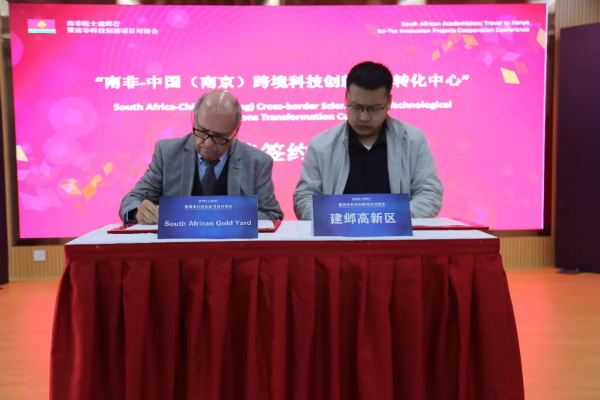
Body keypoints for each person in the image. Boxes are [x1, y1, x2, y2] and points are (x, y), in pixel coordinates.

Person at [293, 61, 443, 220]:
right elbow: (304, 198)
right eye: (356, 107)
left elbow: (429, 193)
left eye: (374, 109)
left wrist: (394, 218)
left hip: (395, 231)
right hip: (340, 231)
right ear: (346, 97)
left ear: (389, 102)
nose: (363, 117)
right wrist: (335, 220)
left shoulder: (413, 141)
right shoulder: (321, 145)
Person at [119, 90, 283, 224]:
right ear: (194, 120)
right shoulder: (167, 153)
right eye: (202, 132)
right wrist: (138, 212)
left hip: (234, 248)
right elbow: (133, 199)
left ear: (235, 131)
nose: (208, 143)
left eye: (219, 137)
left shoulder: (257, 162)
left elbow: (272, 215)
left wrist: (228, 218)